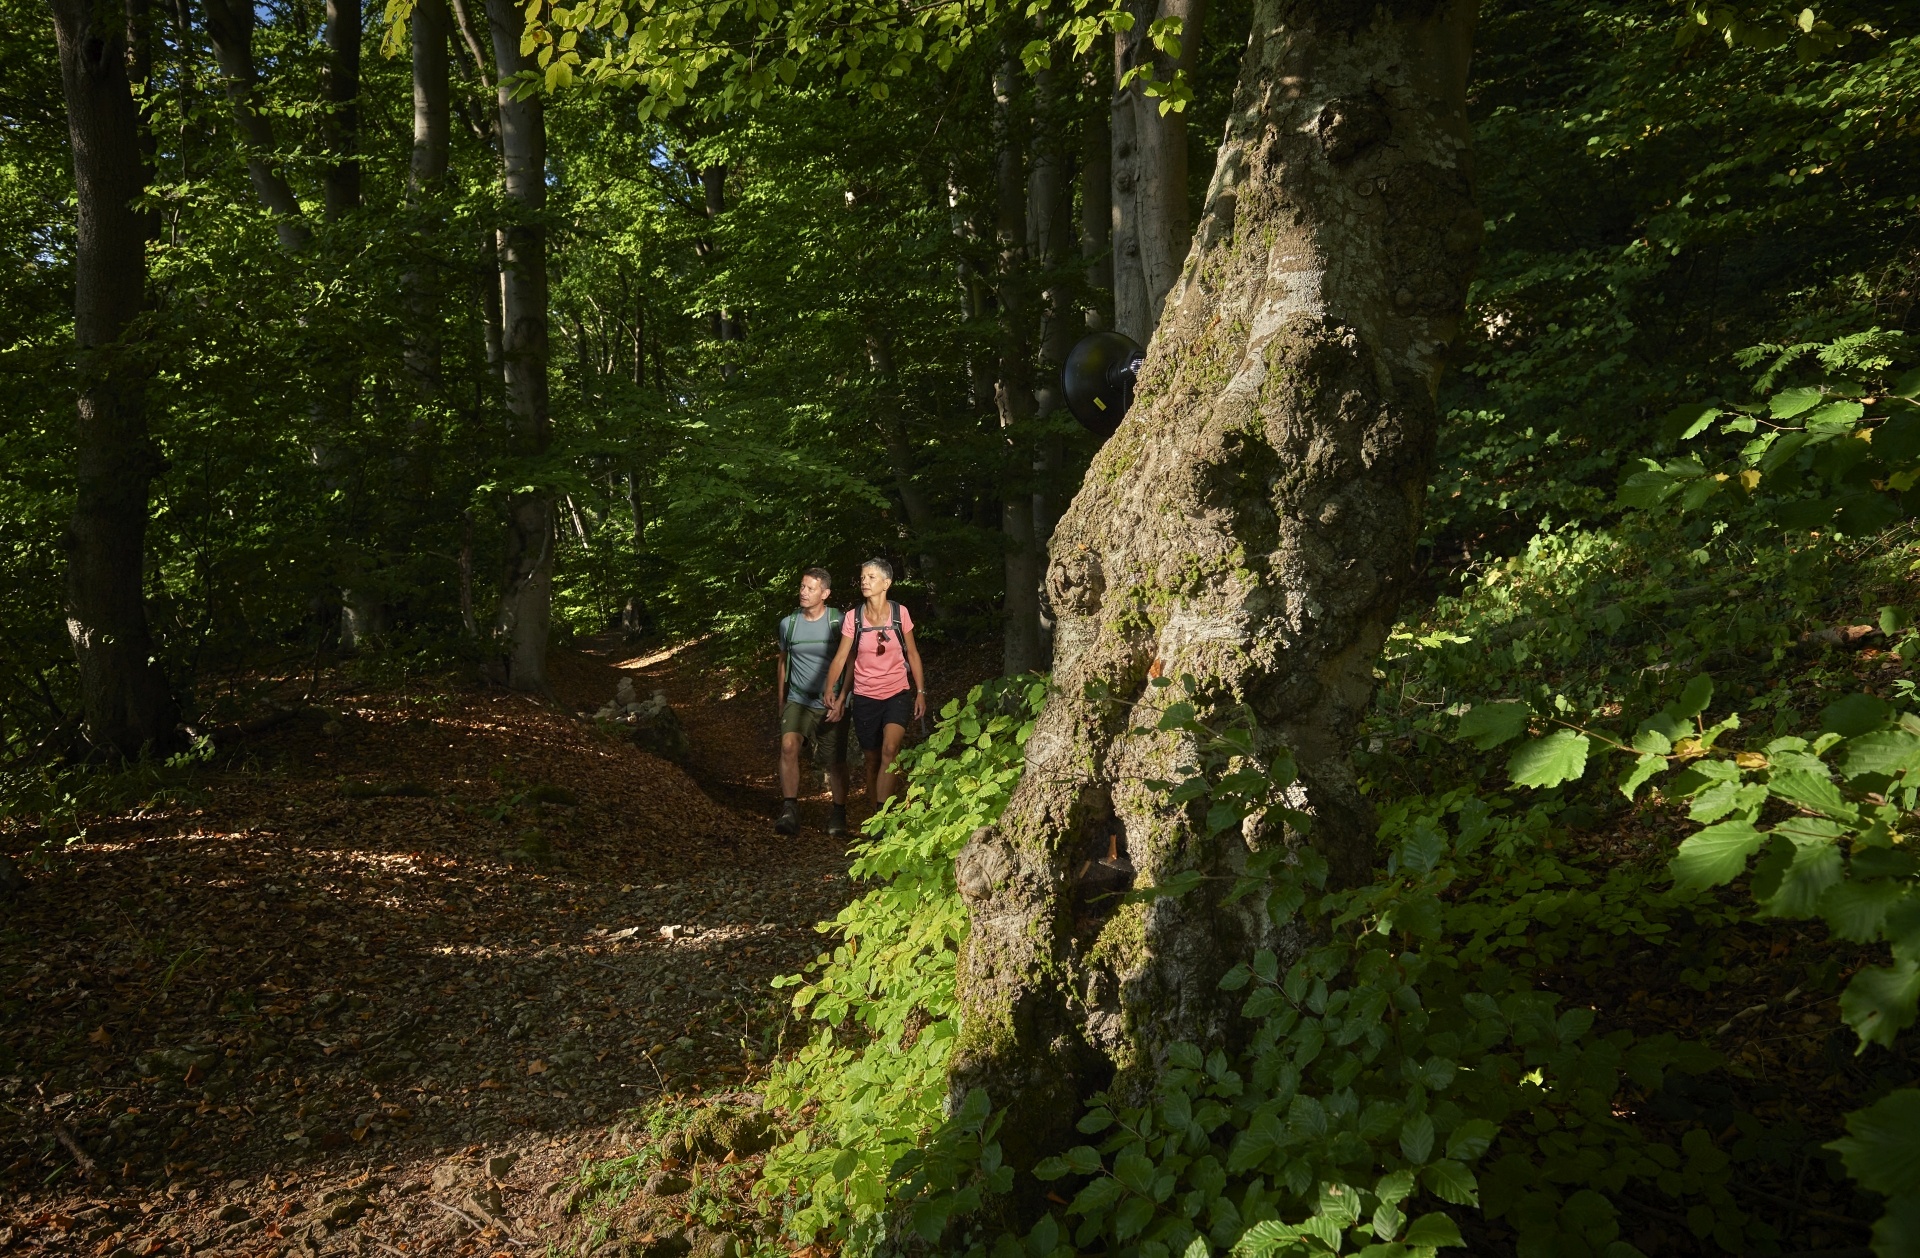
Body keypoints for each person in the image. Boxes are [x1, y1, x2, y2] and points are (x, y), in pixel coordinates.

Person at [824, 558, 927, 808]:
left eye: (871, 577)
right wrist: (830, 687)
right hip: (865, 697)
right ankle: (875, 816)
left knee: (890, 751)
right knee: (872, 760)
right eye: (862, 577)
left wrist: (921, 692)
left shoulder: (900, 613)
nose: (864, 582)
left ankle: (883, 816)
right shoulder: (854, 617)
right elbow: (840, 657)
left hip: (897, 693)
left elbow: (912, 654)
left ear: (886, 583)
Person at [774, 568, 850, 837]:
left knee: (835, 761)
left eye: (810, 588)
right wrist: (782, 700)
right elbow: (783, 661)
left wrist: (843, 698)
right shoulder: (788, 624)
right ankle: (790, 810)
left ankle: (839, 814)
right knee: (788, 746)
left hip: (830, 702)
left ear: (825, 594)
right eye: (802, 587)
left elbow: (850, 660)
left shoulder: (837, 621)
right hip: (798, 699)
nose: (803, 592)